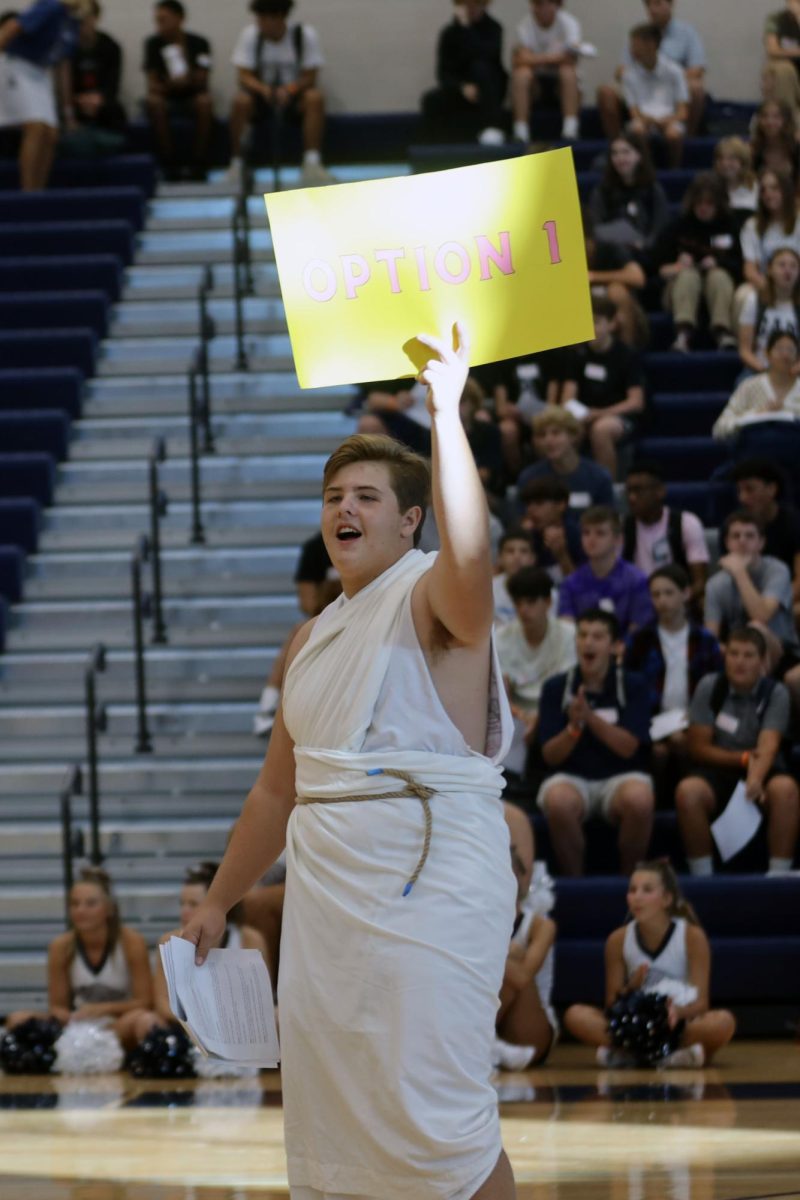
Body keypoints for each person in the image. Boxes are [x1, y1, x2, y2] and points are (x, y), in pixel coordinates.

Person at [179, 326, 521, 1200]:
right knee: (341, 1115)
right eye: (335, 495)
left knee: (438, 1117)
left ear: (411, 520)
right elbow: (274, 791)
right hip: (329, 904)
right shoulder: (310, 636)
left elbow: (476, 553)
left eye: (368, 495)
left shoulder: (434, 589)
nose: (346, 508)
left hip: (431, 882)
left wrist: (446, 410)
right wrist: (220, 899)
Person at [564, 860, 736, 1066]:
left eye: (647, 890)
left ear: (666, 899)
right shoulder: (618, 940)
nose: (637, 897)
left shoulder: (691, 936)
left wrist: (677, 1012)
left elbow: (701, 1004)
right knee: (575, 1015)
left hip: (676, 1023)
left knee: (724, 1022)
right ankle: (669, 1056)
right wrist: (632, 987)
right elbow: (611, 1004)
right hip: (634, 1023)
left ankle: (630, 1054)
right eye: (632, 890)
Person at [536, 608, 655, 876]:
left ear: (615, 646)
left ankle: (629, 883)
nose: (588, 642)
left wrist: (589, 718)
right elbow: (550, 756)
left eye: (598, 636)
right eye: (583, 635)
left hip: (621, 776)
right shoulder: (556, 687)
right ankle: (577, 884)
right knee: (557, 800)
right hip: (570, 777)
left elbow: (629, 748)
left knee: (640, 798)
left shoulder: (634, 684)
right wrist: (574, 728)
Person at [676, 626, 800, 875]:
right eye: (733, 654)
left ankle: (778, 875)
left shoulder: (775, 692)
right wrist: (743, 759)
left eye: (748, 655)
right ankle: (702, 876)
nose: (739, 662)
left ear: (763, 661)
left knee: (786, 789)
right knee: (687, 791)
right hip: (716, 769)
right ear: (725, 657)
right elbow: (698, 748)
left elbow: (769, 744)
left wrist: (755, 778)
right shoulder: (709, 686)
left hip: (763, 769)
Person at [4, 866, 153, 1050]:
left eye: (90, 904)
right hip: (77, 1027)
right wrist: (68, 1017)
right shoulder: (60, 947)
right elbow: (57, 1006)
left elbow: (145, 1002)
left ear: (109, 909)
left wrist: (104, 1009)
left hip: (117, 1025)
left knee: (145, 1020)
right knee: (17, 1020)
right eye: (75, 904)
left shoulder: (132, 942)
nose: (81, 910)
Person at [129, 861, 270, 1041]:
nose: (184, 912)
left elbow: (260, 1000)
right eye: (182, 904)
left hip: (236, 1026)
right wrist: (201, 1021)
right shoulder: (168, 941)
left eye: (193, 904)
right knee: (146, 1022)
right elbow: (163, 1004)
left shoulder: (249, 938)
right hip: (187, 1026)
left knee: (278, 1017)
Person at [625, 564, 722, 771]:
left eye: (669, 593)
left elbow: (717, 686)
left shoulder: (705, 640)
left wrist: (695, 716)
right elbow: (629, 685)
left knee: (684, 742)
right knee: (659, 751)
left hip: (694, 719)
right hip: (652, 719)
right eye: (656, 594)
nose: (662, 601)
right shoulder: (641, 640)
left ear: (685, 593)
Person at [227, 0, 333, 190]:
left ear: (279, 18)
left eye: (265, 19)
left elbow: (311, 75)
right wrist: (264, 89)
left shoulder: (304, 35)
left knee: (314, 98)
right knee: (240, 101)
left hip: (293, 96)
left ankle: (312, 162)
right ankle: (237, 163)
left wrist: (290, 90)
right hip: (262, 97)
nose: (260, 24)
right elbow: (243, 75)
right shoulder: (251, 35)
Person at [704, 510, 800, 708]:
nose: (742, 541)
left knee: (755, 628)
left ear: (761, 542)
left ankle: (759, 705)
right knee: (732, 648)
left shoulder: (777, 570)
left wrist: (740, 573)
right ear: (727, 543)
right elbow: (710, 636)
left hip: (782, 651)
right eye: (736, 536)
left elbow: (761, 615)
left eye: (749, 536)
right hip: (739, 653)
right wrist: (728, 650)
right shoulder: (716, 583)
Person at [253, 531, 341, 735]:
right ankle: (268, 708)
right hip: (327, 616)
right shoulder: (315, 549)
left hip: (364, 616)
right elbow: (308, 604)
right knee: (301, 631)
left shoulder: (374, 547)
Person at [0, 0, 89, 191]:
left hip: (40, 73)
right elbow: (12, 27)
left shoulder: (73, 23)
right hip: (18, 66)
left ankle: (38, 191)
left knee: (51, 134)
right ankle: (28, 192)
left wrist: (68, 112)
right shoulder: (50, 7)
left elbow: (63, 68)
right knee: (36, 127)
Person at [497, 565, 576, 775]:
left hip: (555, 710)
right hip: (517, 715)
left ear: (548, 602)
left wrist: (539, 717)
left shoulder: (568, 634)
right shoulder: (501, 638)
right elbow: (502, 693)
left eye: (531, 602)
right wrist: (522, 716)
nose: (523, 610)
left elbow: (566, 687)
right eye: (518, 603)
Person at [652, 171, 742, 353]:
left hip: (719, 289)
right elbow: (656, 268)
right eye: (699, 203)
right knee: (688, 275)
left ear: (719, 204)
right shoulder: (677, 226)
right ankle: (683, 334)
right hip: (679, 290)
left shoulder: (731, 226)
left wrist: (718, 263)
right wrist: (676, 266)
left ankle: (722, 331)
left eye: (709, 204)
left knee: (718, 276)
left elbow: (740, 266)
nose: (703, 208)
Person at [494, 812, 558, 1068]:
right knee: (510, 956)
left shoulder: (541, 925)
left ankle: (485, 1038)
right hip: (493, 1015)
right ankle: (488, 1042)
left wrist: (501, 955)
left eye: (511, 874)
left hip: (532, 1029)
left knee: (513, 962)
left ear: (522, 878)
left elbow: (523, 977)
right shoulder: (478, 919)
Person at [558, 295, 646, 479]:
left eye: (596, 323)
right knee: (564, 432)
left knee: (601, 430)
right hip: (586, 414)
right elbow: (567, 398)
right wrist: (582, 413)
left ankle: (609, 488)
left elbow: (635, 402)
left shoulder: (626, 355)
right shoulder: (578, 355)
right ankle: (571, 485)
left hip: (618, 416)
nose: (591, 329)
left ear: (612, 324)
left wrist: (601, 413)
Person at [623, 460, 710, 609]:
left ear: (660, 491)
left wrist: (672, 602)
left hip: (679, 602)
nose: (632, 498)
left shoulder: (686, 523)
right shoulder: (622, 527)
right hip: (638, 603)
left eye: (638, 491)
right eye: (629, 491)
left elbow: (700, 582)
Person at [558, 506, 656, 637]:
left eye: (600, 533)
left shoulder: (637, 581)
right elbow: (567, 628)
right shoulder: (570, 583)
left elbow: (638, 628)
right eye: (586, 533)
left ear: (618, 539)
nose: (591, 540)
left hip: (627, 653)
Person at [142, 0, 212, 180]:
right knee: (154, 103)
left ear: (179, 19)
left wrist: (187, 80)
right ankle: (168, 162)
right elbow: (152, 83)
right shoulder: (153, 44)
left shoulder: (199, 43)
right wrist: (171, 84)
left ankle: (199, 161)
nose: (160, 25)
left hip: (192, 94)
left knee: (205, 102)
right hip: (166, 96)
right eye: (157, 20)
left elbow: (203, 77)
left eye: (164, 19)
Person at [421, 0, 508, 146]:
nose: (471, 9)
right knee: (430, 100)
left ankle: (492, 128)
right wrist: (461, 87)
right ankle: (436, 147)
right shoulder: (449, 33)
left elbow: (485, 56)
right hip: (460, 89)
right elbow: (443, 73)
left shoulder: (494, 28)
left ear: (484, 5)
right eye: (467, 4)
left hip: (488, 89)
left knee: (480, 67)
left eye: (476, 4)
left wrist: (467, 29)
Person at [713, 329, 800, 461]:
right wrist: (756, 415)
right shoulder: (749, 386)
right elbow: (719, 429)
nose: (785, 355)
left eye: (790, 350)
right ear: (767, 353)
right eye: (780, 349)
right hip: (755, 461)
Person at [731, 457, 800, 617]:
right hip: (745, 596)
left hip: (786, 598)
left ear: (771, 489)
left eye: (749, 490)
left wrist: (770, 602)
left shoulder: (794, 524)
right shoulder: (732, 526)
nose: (742, 498)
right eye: (739, 491)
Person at [517, 407, 615, 518]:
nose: (548, 440)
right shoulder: (529, 478)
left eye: (556, 433)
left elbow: (607, 520)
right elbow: (523, 521)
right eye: (542, 435)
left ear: (573, 436)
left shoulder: (599, 476)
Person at [588, 130, 671, 258]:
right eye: (615, 153)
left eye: (626, 152)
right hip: (614, 256)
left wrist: (643, 244)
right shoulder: (602, 191)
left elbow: (660, 228)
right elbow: (596, 226)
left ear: (639, 155)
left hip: (647, 255)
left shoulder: (653, 190)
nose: (620, 158)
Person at [511, 0, 582, 143]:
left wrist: (535, 58)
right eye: (538, 4)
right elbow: (519, 60)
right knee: (521, 74)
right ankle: (521, 130)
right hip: (535, 84)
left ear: (557, 5)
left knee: (567, 72)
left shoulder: (569, 23)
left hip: (559, 85)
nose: (543, 8)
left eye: (548, 4)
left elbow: (571, 59)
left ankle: (570, 129)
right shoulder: (524, 25)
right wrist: (555, 58)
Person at [620, 22, 689, 168]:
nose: (632, 50)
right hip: (643, 120)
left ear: (651, 44)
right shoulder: (628, 75)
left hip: (669, 119)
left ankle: (674, 169)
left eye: (635, 45)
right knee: (637, 130)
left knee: (673, 134)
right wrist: (648, 120)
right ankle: (645, 170)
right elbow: (634, 112)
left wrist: (667, 120)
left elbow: (683, 112)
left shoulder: (674, 71)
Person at [582, 207, 649, 349]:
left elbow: (638, 277)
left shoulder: (608, 249)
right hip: (586, 313)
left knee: (617, 291)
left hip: (618, 313)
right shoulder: (560, 257)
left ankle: (626, 353)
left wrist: (593, 277)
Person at [61, 0, 124, 135]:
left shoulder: (110, 46)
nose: (81, 24)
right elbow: (65, 86)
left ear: (95, 18)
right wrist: (78, 100)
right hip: (76, 102)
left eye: (85, 18)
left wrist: (98, 98)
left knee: (115, 111)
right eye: (78, 19)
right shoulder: (68, 49)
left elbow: (113, 83)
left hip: (102, 102)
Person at [737, 247, 800, 378]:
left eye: (793, 266)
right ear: (770, 269)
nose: (787, 270)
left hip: (795, 369)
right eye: (782, 265)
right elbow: (745, 350)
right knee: (743, 382)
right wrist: (764, 370)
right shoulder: (754, 300)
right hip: (760, 368)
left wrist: (793, 370)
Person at [739, 168, 800, 301]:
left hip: (797, 284)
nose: (768, 194)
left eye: (774, 188)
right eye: (763, 190)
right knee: (744, 296)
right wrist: (770, 290)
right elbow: (750, 270)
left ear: (787, 191)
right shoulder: (751, 225)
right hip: (765, 283)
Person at [519, 476, 584, 584]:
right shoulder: (526, 536)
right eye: (528, 504)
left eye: (539, 503)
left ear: (561, 505)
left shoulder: (579, 535)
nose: (531, 509)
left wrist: (562, 556)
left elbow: (582, 588)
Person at [763, 1, 800, 118]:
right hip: (784, 69)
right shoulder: (776, 19)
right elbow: (773, 50)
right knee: (784, 70)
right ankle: (788, 120)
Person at [493, 528, 536, 626]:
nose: (517, 557)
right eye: (510, 551)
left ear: (532, 559)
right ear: (499, 558)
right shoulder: (486, 591)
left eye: (524, 551)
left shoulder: (546, 592)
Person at [750, 99, 800, 184]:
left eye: (776, 117)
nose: (769, 122)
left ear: (786, 120)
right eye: (764, 116)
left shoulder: (797, 146)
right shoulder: (754, 149)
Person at [713, 137, 759, 229]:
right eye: (721, 158)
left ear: (743, 162)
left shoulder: (758, 188)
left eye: (731, 158)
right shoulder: (710, 188)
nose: (725, 163)